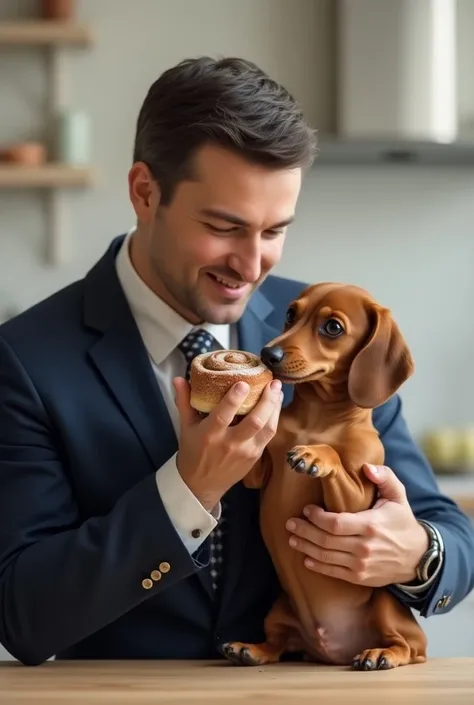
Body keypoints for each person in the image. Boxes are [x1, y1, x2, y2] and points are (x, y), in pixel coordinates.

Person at [0, 56, 473, 668]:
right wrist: (189, 489)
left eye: (275, 230)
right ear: (146, 193)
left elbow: (452, 536)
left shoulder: (324, 340)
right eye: (225, 227)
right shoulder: (25, 362)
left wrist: (414, 553)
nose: (251, 266)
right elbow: (24, 615)